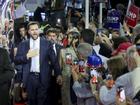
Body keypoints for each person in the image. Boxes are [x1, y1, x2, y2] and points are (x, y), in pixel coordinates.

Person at [14, 21, 62, 105]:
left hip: (43, 77)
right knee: (31, 101)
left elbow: (54, 61)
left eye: (36, 29)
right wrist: (27, 56)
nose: (35, 31)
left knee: (42, 101)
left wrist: (58, 74)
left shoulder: (47, 43)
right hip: (29, 78)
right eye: (32, 30)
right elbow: (17, 60)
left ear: (39, 30)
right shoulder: (23, 44)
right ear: (28, 31)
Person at [45, 27, 63, 105]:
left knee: (57, 98)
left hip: (59, 76)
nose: (52, 38)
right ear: (46, 37)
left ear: (57, 37)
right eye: (50, 36)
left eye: (54, 36)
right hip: (47, 77)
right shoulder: (43, 48)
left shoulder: (61, 48)